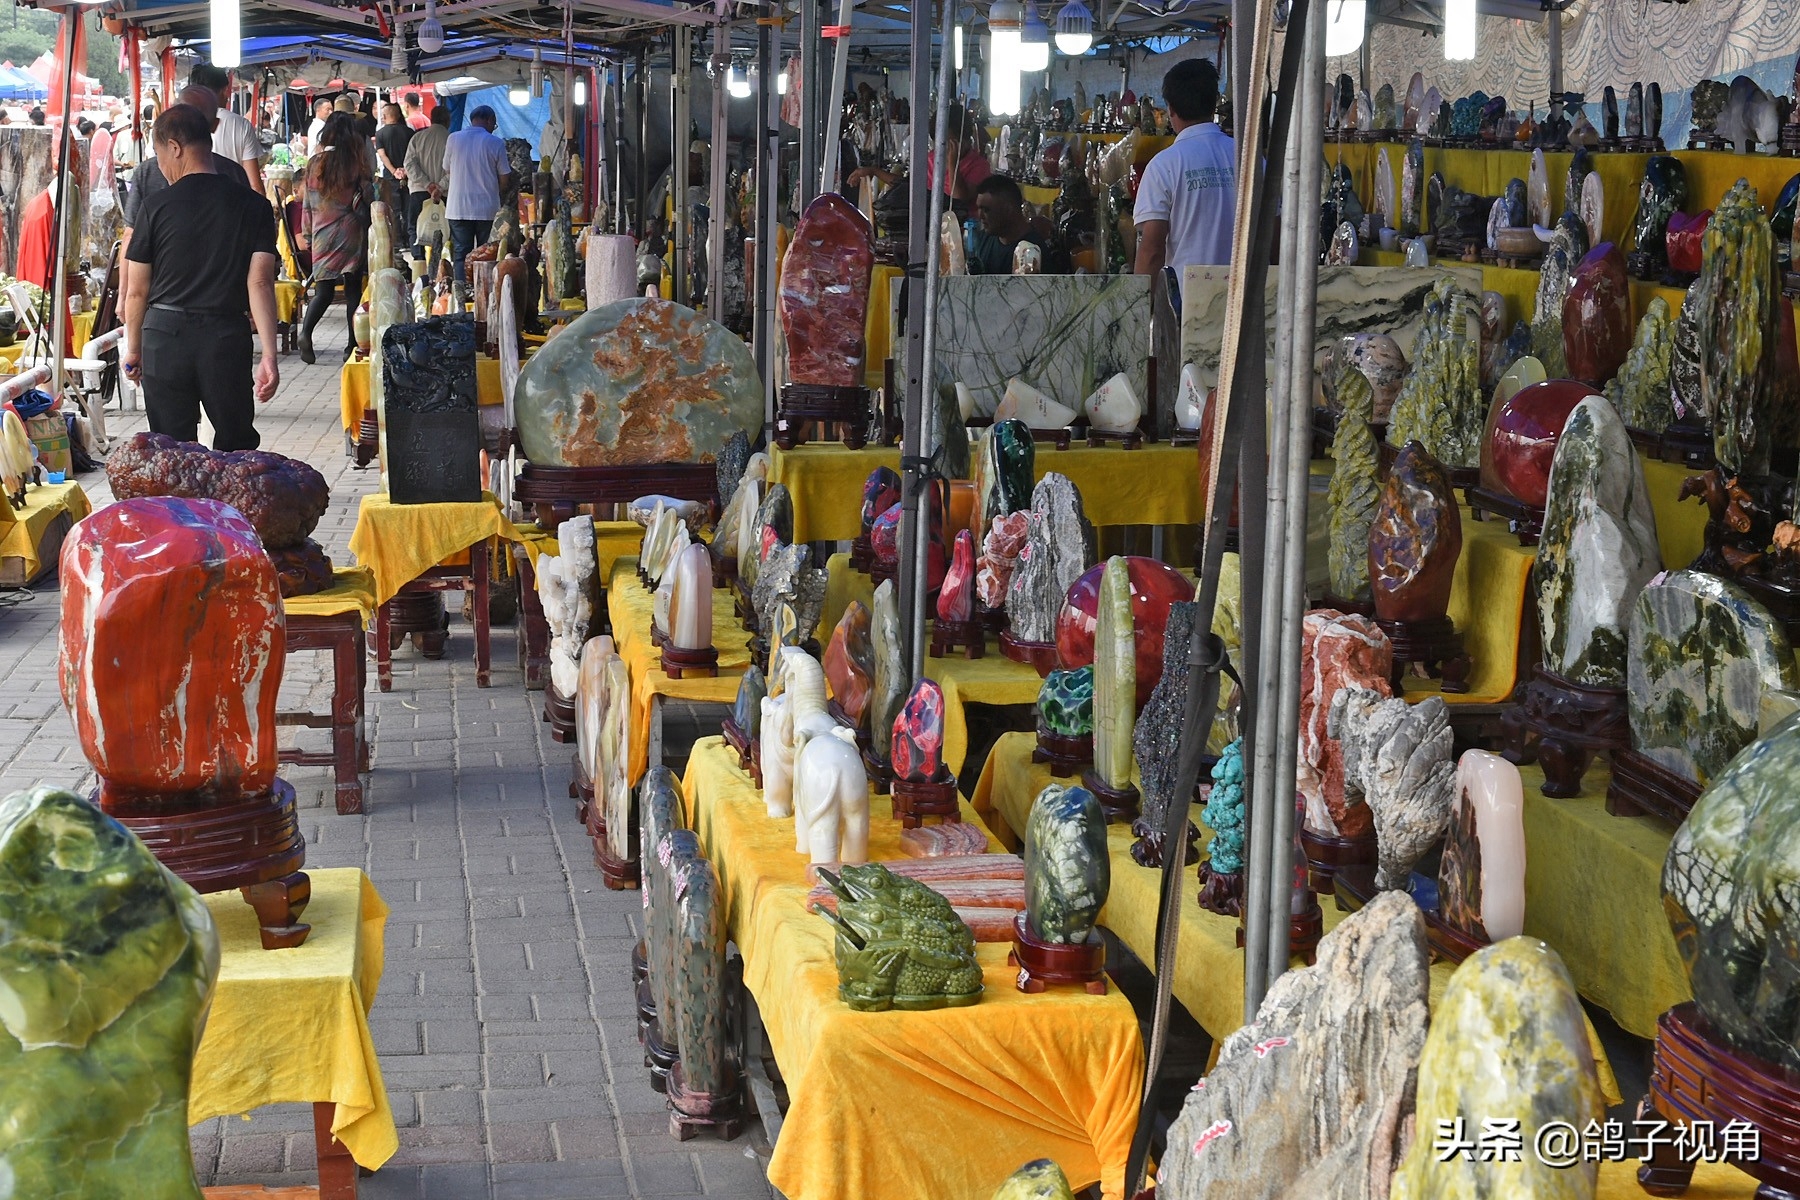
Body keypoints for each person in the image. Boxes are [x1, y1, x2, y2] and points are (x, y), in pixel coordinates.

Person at [121, 103, 279, 451]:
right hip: (225, 338)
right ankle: (230, 507)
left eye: (160, 155)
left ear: (174, 147)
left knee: (173, 452)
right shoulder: (254, 206)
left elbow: (136, 291)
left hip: (164, 338)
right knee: (236, 447)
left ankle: (182, 508)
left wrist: (133, 350)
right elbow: (260, 283)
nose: (161, 166)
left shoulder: (155, 206)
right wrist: (270, 353)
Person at [1133, 57, 1236, 275]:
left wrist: (1142, 305)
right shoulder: (1249, 159)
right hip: (1244, 299)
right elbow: (1272, 237)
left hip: (1185, 302)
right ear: (1215, 101)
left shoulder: (1163, 166)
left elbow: (1151, 252)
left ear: (1170, 109)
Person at [296, 111, 373, 364]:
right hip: (350, 232)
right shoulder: (355, 163)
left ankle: (305, 333)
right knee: (352, 291)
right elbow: (368, 197)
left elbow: (307, 202)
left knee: (323, 290)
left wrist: (307, 232)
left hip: (321, 233)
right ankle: (351, 346)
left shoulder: (314, 163)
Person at [847, 103, 990, 215]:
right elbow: (906, 186)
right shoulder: (932, 159)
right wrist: (873, 171)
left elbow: (958, 198)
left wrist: (952, 164)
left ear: (963, 140)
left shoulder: (979, 166)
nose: (943, 149)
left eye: (949, 143)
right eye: (939, 143)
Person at [443, 104, 512, 282]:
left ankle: (461, 292)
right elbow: (505, 178)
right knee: (485, 254)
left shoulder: (453, 138)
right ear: (489, 120)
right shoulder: (495, 143)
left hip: (458, 206)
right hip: (486, 207)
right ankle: (483, 290)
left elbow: (447, 169)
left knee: (461, 253)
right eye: (493, 125)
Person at [190, 63, 266, 197]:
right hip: (234, 206)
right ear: (226, 90)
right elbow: (255, 186)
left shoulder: (183, 121)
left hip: (194, 203)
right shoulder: (241, 125)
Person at [967, 175, 1069, 274]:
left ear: (1008, 209)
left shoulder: (1032, 253)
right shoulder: (984, 239)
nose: (980, 216)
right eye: (979, 208)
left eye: (986, 210)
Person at [402, 103, 450, 257]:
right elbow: (457, 168)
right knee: (443, 230)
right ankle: (441, 267)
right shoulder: (452, 140)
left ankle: (419, 265)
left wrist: (427, 184)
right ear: (447, 120)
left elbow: (409, 164)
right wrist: (439, 187)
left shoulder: (418, 137)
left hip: (419, 192)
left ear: (431, 118)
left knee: (416, 229)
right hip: (445, 194)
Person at [374, 102, 414, 235]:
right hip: (409, 177)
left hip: (390, 178)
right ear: (398, 115)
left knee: (393, 211)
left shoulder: (380, 133)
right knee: (409, 210)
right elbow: (413, 155)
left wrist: (394, 171)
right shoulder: (409, 132)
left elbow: (382, 155)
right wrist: (405, 170)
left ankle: (397, 241)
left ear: (384, 116)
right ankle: (410, 239)